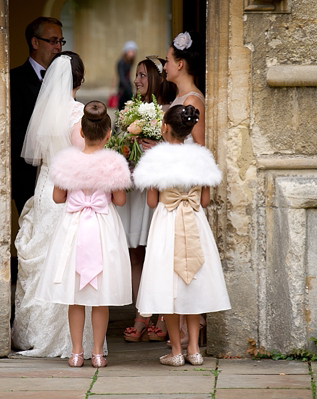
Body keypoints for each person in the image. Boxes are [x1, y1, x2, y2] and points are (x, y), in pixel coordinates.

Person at [12, 51, 101, 359]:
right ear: (80, 79)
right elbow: (84, 154)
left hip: (46, 186)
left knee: (45, 258)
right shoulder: (77, 113)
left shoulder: (45, 110)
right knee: (68, 261)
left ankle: (32, 332)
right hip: (68, 190)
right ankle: (67, 339)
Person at [35, 101, 132, 368]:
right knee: (101, 295)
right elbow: (121, 200)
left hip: (74, 227)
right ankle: (98, 352)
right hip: (102, 226)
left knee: (74, 294)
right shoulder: (114, 162)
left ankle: (77, 352)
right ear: (109, 134)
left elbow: (57, 197)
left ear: (80, 131)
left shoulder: (66, 161)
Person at [133, 105, 231, 366]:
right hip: (195, 221)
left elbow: (153, 201)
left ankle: (176, 350)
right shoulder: (202, 158)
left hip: (167, 221)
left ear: (165, 127)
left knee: (168, 285)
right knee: (194, 283)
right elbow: (206, 200)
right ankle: (195, 350)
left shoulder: (155, 159)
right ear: (189, 130)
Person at [119, 56, 176, 343]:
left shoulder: (170, 111)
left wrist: (160, 146)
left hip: (156, 191)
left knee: (160, 253)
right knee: (136, 254)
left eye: (143, 75)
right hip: (136, 192)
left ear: (157, 79)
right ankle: (141, 313)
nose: (137, 80)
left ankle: (164, 315)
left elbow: (180, 151)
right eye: (136, 75)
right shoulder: (131, 110)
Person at [164, 31, 208, 347]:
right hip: (172, 186)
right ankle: (181, 335)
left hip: (183, 195)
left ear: (180, 64)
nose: (165, 67)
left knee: (185, 260)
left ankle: (187, 334)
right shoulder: (178, 100)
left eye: (167, 61)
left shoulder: (193, 100)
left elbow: (199, 146)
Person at [10, 17, 65, 214]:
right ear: (35, 42)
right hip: (27, 178)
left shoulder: (65, 79)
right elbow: (14, 132)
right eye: (52, 41)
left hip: (59, 177)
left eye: (60, 41)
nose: (58, 46)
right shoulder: (13, 80)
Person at [116, 41, 138, 111]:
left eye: (133, 51)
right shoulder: (121, 62)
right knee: (122, 108)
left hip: (128, 87)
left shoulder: (129, 62)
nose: (132, 53)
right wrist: (128, 88)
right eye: (130, 51)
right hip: (123, 88)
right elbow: (122, 77)